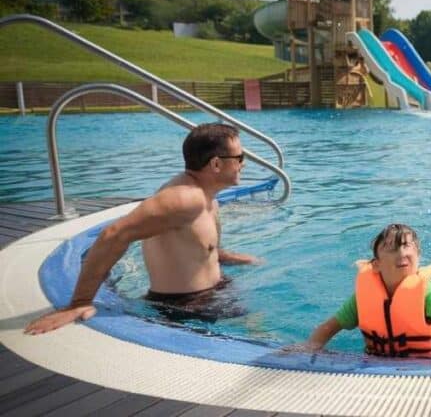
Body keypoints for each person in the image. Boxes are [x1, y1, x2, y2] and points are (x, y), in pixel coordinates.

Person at [25, 123, 260, 334]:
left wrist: (225, 256)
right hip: (184, 307)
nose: (243, 163)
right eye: (239, 157)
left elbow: (196, 244)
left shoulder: (209, 196)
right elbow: (114, 235)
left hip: (216, 289)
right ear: (216, 164)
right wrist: (80, 303)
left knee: (260, 333)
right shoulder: (183, 198)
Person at [304, 224, 431, 359]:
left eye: (406, 246)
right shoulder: (363, 296)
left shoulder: (425, 292)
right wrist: (311, 345)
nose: (401, 252)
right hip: (375, 362)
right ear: (376, 265)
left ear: (418, 256)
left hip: (424, 364)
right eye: (392, 248)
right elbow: (331, 325)